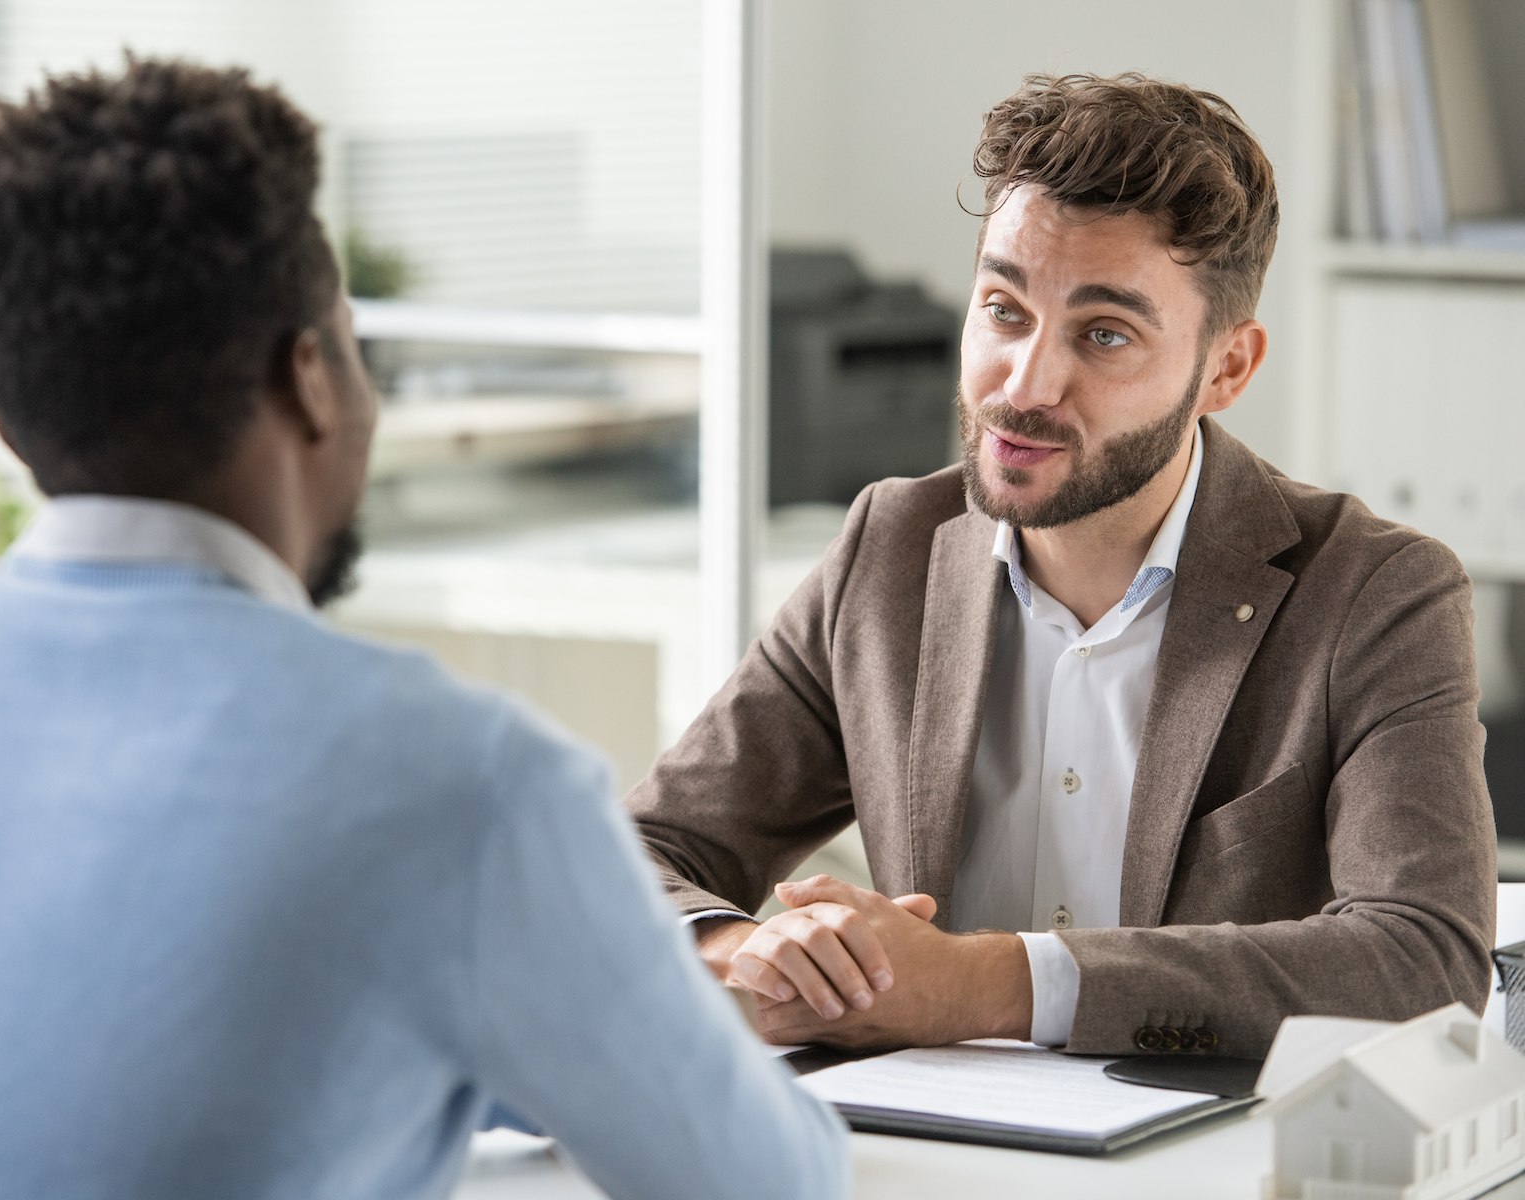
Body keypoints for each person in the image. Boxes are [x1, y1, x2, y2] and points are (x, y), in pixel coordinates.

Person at [0, 59, 849, 1200]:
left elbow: (109, 1046)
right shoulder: (456, 774)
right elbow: (762, 1181)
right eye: (354, 343)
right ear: (311, 377)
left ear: (10, 418)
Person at [629, 72, 1496, 1058]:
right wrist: (759, 951)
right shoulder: (891, 548)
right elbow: (639, 850)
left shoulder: (1377, 592)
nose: (1027, 384)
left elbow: (1423, 957)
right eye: (1004, 310)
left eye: (1105, 334)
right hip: (921, 1145)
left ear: (1227, 368)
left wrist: (985, 984)